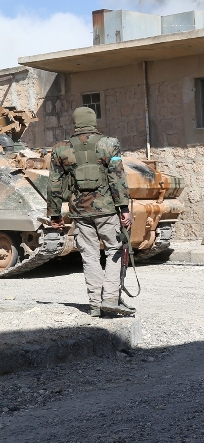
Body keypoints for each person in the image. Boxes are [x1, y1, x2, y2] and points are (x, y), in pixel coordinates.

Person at [46, 106, 134, 318]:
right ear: (93, 121)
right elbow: (117, 177)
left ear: (75, 122)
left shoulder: (60, 149)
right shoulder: (109, 144)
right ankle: (111, 299)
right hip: (107, 209)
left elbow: (54, 184)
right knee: (114, 249)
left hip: (79, 211)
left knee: (90, 255)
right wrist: (124, 208)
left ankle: (95, 304)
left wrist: (55, 214)